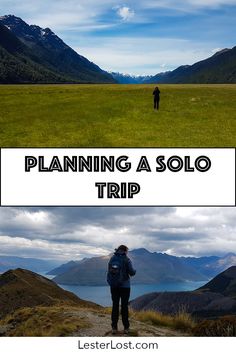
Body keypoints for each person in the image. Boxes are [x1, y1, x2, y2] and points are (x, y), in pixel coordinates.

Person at [107, 245, 136, 335]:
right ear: (125, 251)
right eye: (127, 251)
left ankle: (114, 328)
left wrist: (111, 282)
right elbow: (131, 272)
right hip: (125, 287)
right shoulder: (126, 260)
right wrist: (134, 271)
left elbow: (109, 272)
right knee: (124, 307)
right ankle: (126, 328)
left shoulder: (112, 258)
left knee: (115, 306)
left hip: (114, 286)